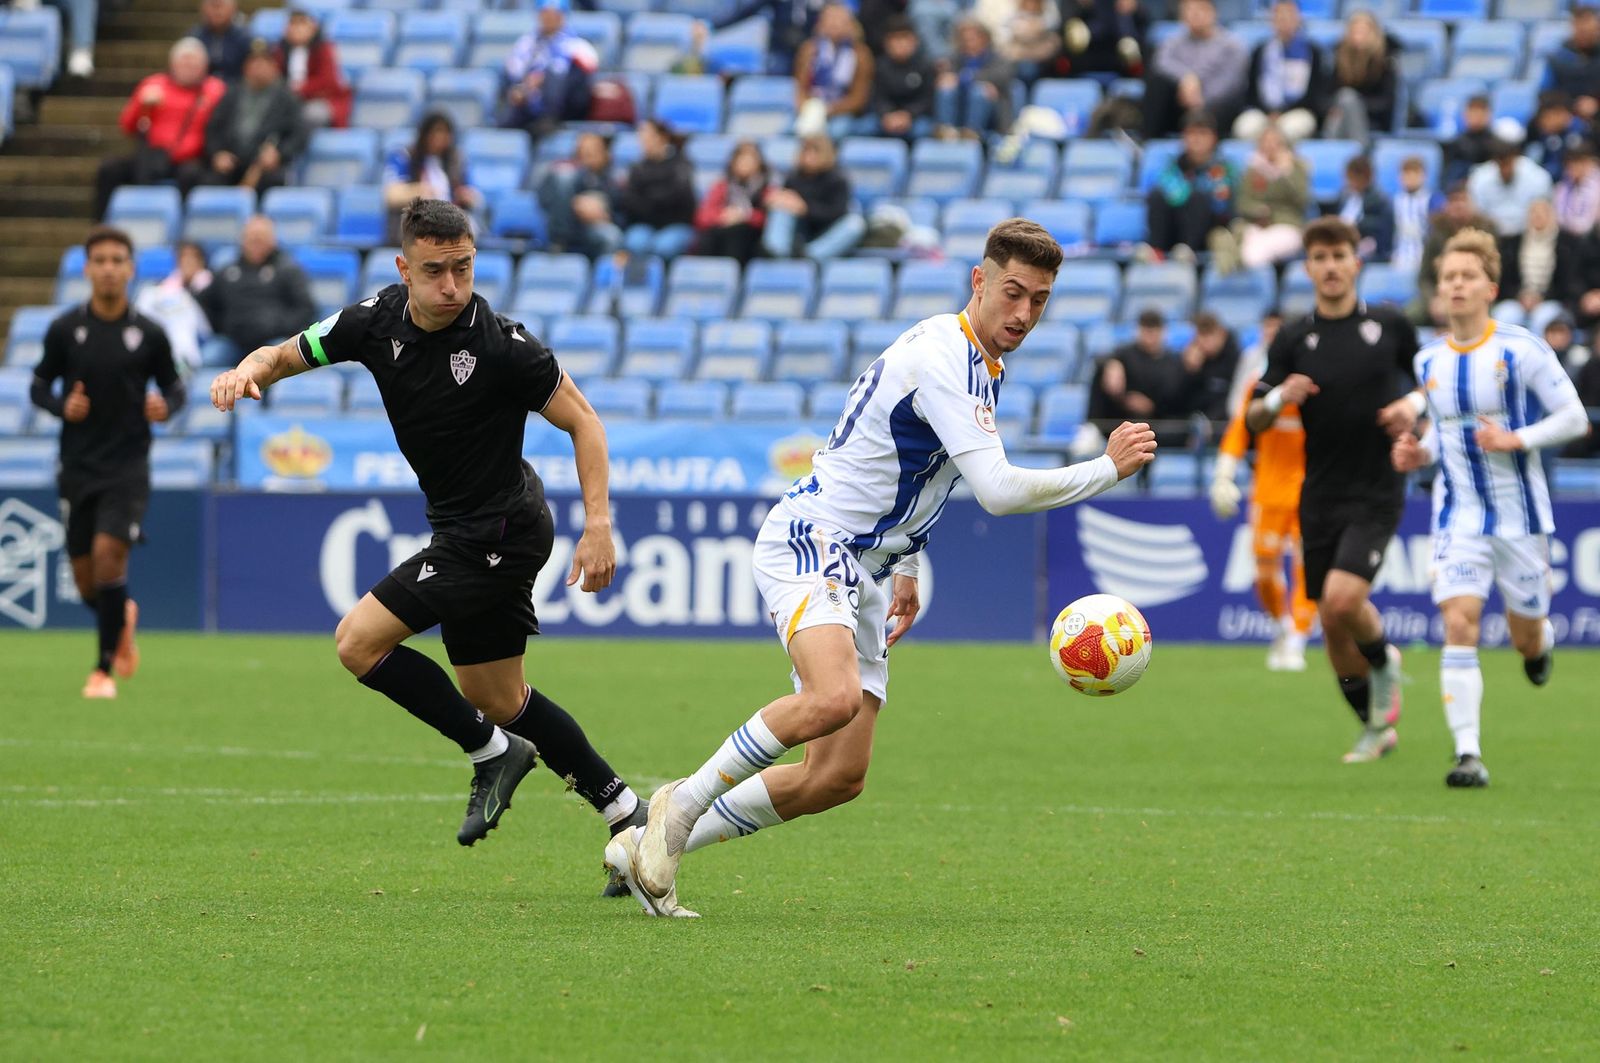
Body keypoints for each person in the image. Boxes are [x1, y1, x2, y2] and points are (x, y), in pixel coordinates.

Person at [602, 219, 1158, 917]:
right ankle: (677, 806)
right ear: (979, 281)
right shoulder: (945, 357)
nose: (1023, 313)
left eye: (1039, 301)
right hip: (816, 536)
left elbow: (918, 468)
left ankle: (645, 847)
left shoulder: (976, 361)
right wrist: (1106, 468)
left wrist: (908, 562)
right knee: (832, 697)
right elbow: (999, 489)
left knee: (836, 776)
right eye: (1013, 292)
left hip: (867, 562)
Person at [207, 198, 650, 891]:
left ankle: (492, 754)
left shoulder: (503, 344)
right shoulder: (372, 321)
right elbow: (289, 352)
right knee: (501, 694)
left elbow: (586, 423)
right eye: (436, 271)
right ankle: (628, 812)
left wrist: (599, 524)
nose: (452, 285)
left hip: (501, 530)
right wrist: (250, 370)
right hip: (468, 529)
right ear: (403, 268)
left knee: (358, 641)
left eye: (464, 268)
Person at [1390, 228, 1589, 787]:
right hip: (1458, 517)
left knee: (1525, 635)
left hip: (1520, 517)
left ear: (1490, 287)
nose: (1456, 285)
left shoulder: (1520, 349)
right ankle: (1468, 754)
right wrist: (1417, 453)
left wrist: (1516, 439)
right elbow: (1442, 435)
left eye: (1467, 276)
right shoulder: (1428, 360)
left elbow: (1574, 417)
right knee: (1459, 620)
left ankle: (1539, 644)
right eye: (1449, 277)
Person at [1245, 217, 1420, 764]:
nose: (1330, 267)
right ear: (1308, 268)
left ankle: (1384, 659)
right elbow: (1252, 417)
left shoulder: (1391, 326)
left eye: (1339, 256)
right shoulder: (1295, 337)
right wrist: (1279, 399)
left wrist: (1410, 412)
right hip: (1318, 492)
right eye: (1319, 258)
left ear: (1355, 263)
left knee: (1346, 599)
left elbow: (1431, 386)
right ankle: (1374, 725)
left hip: (1377, 487)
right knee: (1330, 619)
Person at [29, 227, 186, 699]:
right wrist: (62, 407)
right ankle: (120, 619)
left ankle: (101, 672)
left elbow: (175, 388)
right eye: (100, 260)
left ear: (131, 268)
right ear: (87, 268)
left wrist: (167, 406)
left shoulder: (150, 334)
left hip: (127, 466)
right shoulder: (65, 329)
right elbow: (38, 386)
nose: (109, 268)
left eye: (118, 260)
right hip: (77, 466)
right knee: (84, 579)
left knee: (106, 557)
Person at [1211, 314, 1315, 672]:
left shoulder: (1317, 388)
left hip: (1311, 492)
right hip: (1268, 491)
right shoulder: (1259, 387)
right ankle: (1281, 628)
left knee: (1309, 569)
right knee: (1265, 573)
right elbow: (1239, 432)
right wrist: (1223, 475)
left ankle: (1298, 640)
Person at [94, 38, 226, 221]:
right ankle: (102, 224)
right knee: (109, 169)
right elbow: (127, 126)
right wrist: (143, 106)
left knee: (192, 175)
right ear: (172, 64)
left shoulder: (215, 91)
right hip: (154, 156)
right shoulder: (153, 85)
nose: (188, 68)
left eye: (193, 64)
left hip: (190, 160)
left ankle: (181, 232)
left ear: (205, 67)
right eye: (183, 63)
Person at [197, 216, 316, 366]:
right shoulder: (228, 272)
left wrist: (277, 325)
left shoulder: (288, 270)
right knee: (209, 358)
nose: (255, 243)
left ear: (272, 240)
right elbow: (204, 303)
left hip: (273, 341)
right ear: (242, 240)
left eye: (260, 239)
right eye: (251, 238)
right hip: (233, 342)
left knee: (279, 361)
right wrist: (222, 326)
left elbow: (306, 309)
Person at [198, 39, 306, 193]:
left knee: (274, 183)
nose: (258, 67)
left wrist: (280, 154)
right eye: (254, 62)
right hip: (232, 161)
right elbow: (213, 127)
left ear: (274, 67)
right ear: (245, 67)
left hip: (265, 165)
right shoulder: (232, 93)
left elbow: (299, 133)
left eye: (264, 62)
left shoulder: (287, 97)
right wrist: (217, 153)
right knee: (208, 182)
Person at [1143, 0, 1247, 139]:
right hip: (1181, 103)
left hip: (1214, 107)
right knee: (1157, 83)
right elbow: (1161, 62)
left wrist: (1200, 97)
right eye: (1189, 10)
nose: (1195, 14)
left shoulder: (1231, 46)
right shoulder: (1174, 41)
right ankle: (1148, 141)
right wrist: (1186, 78)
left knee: (1225, 105)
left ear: (1213, 13)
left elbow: (1231, 84)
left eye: (1200, 10)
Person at [1146, 110, 1238, 262]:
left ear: (1213, 138)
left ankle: (1189, 250)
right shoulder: (1174, 165)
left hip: (1207, 231)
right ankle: (1156, 250)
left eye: (1202, 134)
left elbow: (1220, 203)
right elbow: (1166, 186)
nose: (1196, 139)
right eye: (1191, 133)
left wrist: (1186, 191)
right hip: (1176, 224)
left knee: (1198, 197)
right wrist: (1183, 192)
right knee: (1157, 195)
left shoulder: (1223, 167)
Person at [1234, 0, 1328, 144]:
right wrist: (1269, 112)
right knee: (1245, 128)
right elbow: (1252, 91)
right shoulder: (1260, 51)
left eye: (1289, 15)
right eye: (1279, 16)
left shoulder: (1313, 51)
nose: (1284, 20)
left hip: (1299, 110)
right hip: (1263, 111)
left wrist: (1283, 112)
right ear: (1272, 20)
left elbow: (1316, 93)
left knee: (1290, 129)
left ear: (1298, 18)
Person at [501, 0, 598, 136]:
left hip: (567, 103)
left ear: (562, 16)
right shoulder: (527, 43)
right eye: (545, 14)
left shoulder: (577, 45)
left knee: (554, 75)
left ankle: (549, 118)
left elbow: (584, 75)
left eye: (554, 14)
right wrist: (521, 87)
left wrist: (544, 79)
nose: (549, 19)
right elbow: (514, 69)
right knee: (511, 101)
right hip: (530, 99)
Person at [762, 134, 866, 260]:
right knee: (781, 208)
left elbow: (837, 213)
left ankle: (810, 256)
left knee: (855, 224)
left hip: (828, 231)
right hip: (800, 231)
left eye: (815, 151)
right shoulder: (793, 177)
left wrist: (805, 208)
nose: (810, 156)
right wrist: (775, 200)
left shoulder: (838, 179)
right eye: (806, 151)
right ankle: (776, 252)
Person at [382, 112, 481, 246]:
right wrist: (419, 191)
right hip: (415, 221)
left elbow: (475, 196)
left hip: (452, 221)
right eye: (435, 133)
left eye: (444, 134)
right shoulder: (405, 156)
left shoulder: (456, 160)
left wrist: (466, 196)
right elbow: (391, 195)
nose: (439, 139)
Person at [1495, 198, 1584, 334]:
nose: (1538, 217)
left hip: (1552, 300)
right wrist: (1520, 296)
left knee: (1543, 319)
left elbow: (1569, 282)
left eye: (1543, 213)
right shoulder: (1513, 243)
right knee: (1504, 315)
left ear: (1552, 215)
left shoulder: (1567, 243)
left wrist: (1542, 298)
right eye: (1534, 213)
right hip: (1518, 300)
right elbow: (1504, 280)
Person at [615, 119, 697, 260]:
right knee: (635, 243)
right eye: (642, 138)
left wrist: (648, 197)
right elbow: (630, 200)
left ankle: (667, 281)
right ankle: (637, 282)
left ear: (662, 137)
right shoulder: (637, 168)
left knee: (663, 247)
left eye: (649, 137)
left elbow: (680, 198)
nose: (644, 142)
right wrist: (656, 199)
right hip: (644, 224)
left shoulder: (681, 165)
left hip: (676, 224)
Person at [1234, 123, 1310, 269]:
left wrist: (1286, 172)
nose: (1270, 146)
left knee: (1255, 253)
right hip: (1256, 225)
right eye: (1266, 141)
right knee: (1249, 242)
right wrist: (1257, 210)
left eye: (1275, 141)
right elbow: (1242, 202)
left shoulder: (1297, 167)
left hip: (1287, 226)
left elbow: (1302, 200)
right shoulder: (1253, 169)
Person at [794, 3, 874, 142]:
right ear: (820, 24)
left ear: (850, 24)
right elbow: (800, 88)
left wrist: (828, 110)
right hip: (812, 106)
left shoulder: (861, 54)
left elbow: (859, 98)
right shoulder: (809, 50)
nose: (834, 24)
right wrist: (808, 108)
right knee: (791, 129)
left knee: (836, 132)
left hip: (843, 111)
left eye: (839, 20)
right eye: (829, 19)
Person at [536, 132, 622, 258]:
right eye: (583, 151)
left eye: (593, 151)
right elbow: (544, 199)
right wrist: (576, 203)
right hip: (569, 224)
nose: (587, 156)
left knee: (612, 236)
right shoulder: (563, 173)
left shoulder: (613, 179)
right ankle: (559, 241)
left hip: (594, 227)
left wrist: (604, 215)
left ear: (605, 154)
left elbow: (621, 210)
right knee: (563, 178)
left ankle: (602, 275)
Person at [134, 240, 213, 373]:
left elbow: (207, 330)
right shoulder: (160, 291)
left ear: (201, 262)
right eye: (183, 257)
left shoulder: (213, 286)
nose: (187, 262)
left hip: (200, 345)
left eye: (192, 257)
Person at [1322, 10, 1396, 145]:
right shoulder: (1341, 60)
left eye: (1363, 32)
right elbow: (1326, 96)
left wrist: (1356, 104)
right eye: (1355, 32)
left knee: (1348, 99)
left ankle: (1334, 148)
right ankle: (1354, 153)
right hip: (1342, 114)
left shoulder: (1384, 62)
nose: (1358, 37)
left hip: (1373, 118)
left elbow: (1386, 102)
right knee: (1343, 103)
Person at [933, 19, 1015, 139]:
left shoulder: (999, 58)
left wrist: (966, 78)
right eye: (964, 39)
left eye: (973, 38)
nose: (968, 43)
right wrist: (946, 78)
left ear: (985, 38)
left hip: (992, 112)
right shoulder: (954, 58)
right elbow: (947, 75)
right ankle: (946, 132)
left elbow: (1001, 77)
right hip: (959, 107)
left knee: (979, 91)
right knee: (946, 89)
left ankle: (971, 133)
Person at [694, 141, 773, 264]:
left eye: (750, 160)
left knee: (738, 233)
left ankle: (732, 276)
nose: (745, 164)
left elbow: (768, 219)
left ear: (759, 163)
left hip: (750, 237)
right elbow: (703, 217)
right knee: (707, 238)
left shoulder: (766, 188)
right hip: (721, 231)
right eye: (741, 160)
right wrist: (724, 215)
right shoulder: (721, 186)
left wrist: (745, 216)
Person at [860, 16, 936, 140]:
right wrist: (886, 114)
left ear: (915, 41)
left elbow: (927, 99)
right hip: (884, 117)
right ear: (886, 43)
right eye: (896, 39)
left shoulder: (926, 66)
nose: (901, 44)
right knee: (862, 128)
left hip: (916, 118)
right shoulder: (880, 66)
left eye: (905, 38)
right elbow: (877, 96)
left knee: (923, 130)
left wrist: (908, 115)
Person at [274, 7, 352, 129]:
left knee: (310, 115)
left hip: (321, 99)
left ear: (313, 27)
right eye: (293, 24)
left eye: (302, 24)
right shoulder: (280, 51)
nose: (297, 29)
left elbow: (327, 81)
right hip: (289, 100)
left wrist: (298, 89)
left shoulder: (324, 49)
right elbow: (275, 77)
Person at [1468, 140, 1554, 238]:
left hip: (1527, 236)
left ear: (1516, 159)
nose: (1505, 169)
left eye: (1508, 163)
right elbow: (1479, 214)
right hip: (1492, 235)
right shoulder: (1480, 178)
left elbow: (1543, 213)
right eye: (1500, 164)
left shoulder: (1538, 177)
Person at [1543, 5, 1600, 123]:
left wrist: (1596, 105)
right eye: (1580, 30)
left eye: (1589, 30)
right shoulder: (1558, 59)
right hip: (1564, 117)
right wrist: (1570, 106)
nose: (1584, 34)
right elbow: (1545, 95)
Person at [1336, 154, 1393, 262]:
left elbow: (1382, 234)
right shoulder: (1345, 196)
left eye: (1353, 178)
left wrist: (1356, 225)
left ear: (1365, 178)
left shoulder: (1379, 200)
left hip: (1367, 247)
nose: (1349, 182)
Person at [1391, 156, 1443, 273]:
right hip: (1399, 257)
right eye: (1406, 174)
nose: (1410, 178)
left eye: (1414, 173)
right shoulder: (1395, 201)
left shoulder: (1433, 200)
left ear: (1423, 176)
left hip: (1424, 257)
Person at [189, 0, 252, 82]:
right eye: (213, 5)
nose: (217, 11)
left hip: (237, 87)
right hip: (201, 88)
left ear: (233, 9)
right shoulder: (194, 36)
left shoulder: (245, 37)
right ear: (203, 9)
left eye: (221, 5)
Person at [1443, 95, 1496, 187]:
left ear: (1488, 114)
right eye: (1472, 111)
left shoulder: (1497, 144)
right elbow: (1450, 178)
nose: (1475, 117)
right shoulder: (1456, 144)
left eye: (1480, 111)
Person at [1553, 144, 1600, 236]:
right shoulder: (1564, 183)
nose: (1571, 168)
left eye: (1576, 162)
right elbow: (1558, 214)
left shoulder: (1597, 183)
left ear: (1586, 162)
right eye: (1569, 164)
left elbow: (1589, 222)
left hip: (1591, 237)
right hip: (1567, 234)